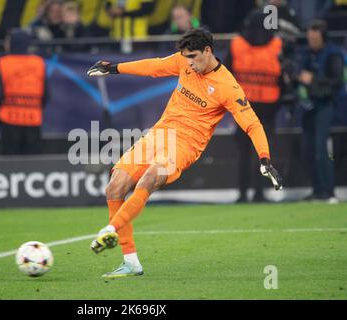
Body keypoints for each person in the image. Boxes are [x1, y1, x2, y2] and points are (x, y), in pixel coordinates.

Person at [87, 28, 283, 278]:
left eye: (193, 57)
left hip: (185, 144)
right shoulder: (184, 62)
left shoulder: (227, 86)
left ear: (208, 51)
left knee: (150, 178)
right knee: (114, 187)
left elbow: (252, 124)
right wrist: (113, 68)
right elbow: (154, 67)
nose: (189, 63)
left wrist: (265, 159)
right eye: (186, 57)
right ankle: (131, 263)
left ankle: (111, 229)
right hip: (159, 134)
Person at [226, 9, 283, 203]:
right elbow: (283, 78)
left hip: (242, 108)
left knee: (242, 153)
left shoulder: (237, 44)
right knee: (263, 154)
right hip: (269, 108)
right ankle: (259, 193)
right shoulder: (277, 44)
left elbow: (225, 76)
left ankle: (242, 194)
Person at [298, 20, 345, 203]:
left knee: (321, 148)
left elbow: (337, 81)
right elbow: (300, 76)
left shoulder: (333, 54)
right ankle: (317, 189)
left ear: (323, 37)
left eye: (315, 38)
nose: (312, 41)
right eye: (310, 37)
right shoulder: (307, 54)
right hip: (308, 104)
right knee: (308, 149)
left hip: (326, 104)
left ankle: (328, 190)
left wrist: (313, 79)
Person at [0, 29, 49, 155]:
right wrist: (35, 108)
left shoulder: (4, 62)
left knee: (10, 161)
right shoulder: (39, 63)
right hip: (33, 118)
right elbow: (47, 94)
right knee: (33, 161)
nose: (5, 44)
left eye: (8, 41)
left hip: (9, 118)